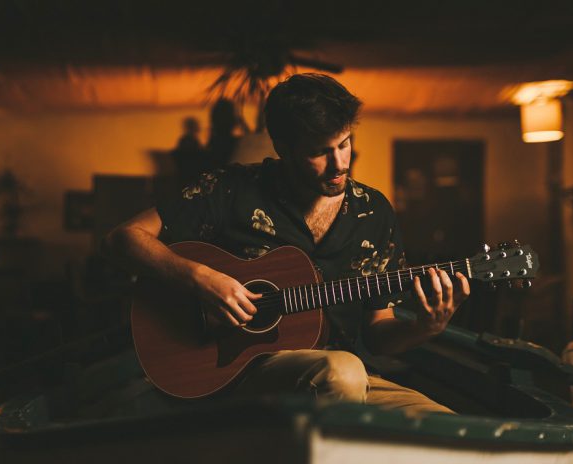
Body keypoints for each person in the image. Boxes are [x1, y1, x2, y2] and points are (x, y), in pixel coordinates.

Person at [104, 74, 470, 413]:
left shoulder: (374, 213)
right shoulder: (230, 189)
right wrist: (199, 279)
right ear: (283, 147)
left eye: (344, 144)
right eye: (319, 152)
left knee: (453, 431)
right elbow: (123, 238)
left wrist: (425, 328)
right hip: (241, 374)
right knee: (341, 372)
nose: (339, 163)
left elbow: (378, 333)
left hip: (349, 382)